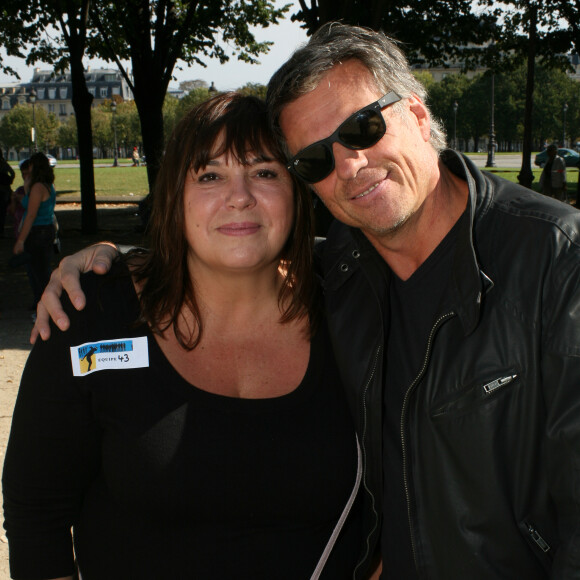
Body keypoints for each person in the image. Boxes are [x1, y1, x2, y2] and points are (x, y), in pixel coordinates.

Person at [32, 23, 580, 579]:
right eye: (316, 160)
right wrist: (105, 259)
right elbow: (39, 514)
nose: (348, 166)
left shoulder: (556, 262)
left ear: (416, 112)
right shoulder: (343, 274)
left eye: (363, 128)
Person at [3, 93, 373, 580]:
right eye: (210, 175)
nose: (239, 196)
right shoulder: (89, 314)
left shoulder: (353, 301)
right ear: (174, 195)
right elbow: (37, 515)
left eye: (264, 172)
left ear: (297, 190)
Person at [12, 152, 57, 307]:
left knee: (40, 274)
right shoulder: (47, 185)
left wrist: (21, 240)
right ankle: (44, 304)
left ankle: (47, 306)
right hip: (46, 230)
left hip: (38, 232)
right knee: (40, 270)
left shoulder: (38, 188)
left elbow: (31, 214)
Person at [8, 159, 29, 239]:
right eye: (23, 174)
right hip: (20, 231)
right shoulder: (20, 190)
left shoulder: (38, 190)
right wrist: (13, 200)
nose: (25, 177)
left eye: (28, 174)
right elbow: (12, 212)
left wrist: (24, 199)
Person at [0, 149, 16, 237]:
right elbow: (12, 173)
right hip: (4, 189)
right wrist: (9, 181)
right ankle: (1, 230)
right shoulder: (3, 163)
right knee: (2, 211)